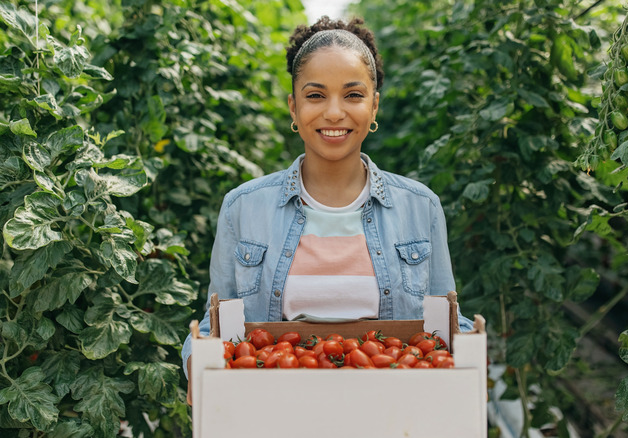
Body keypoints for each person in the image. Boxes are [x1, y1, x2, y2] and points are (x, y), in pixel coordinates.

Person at [181, 15, 473, 387]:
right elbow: (214, 327)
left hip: (392, 407)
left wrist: (471, 356)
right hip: (275, 404)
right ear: (293, 107)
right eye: (315, 95)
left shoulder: (420, 207)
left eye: (353, 95)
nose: (334, 112)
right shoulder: (243, 208)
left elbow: (446, 325)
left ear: (375, 106)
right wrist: (199, 366)